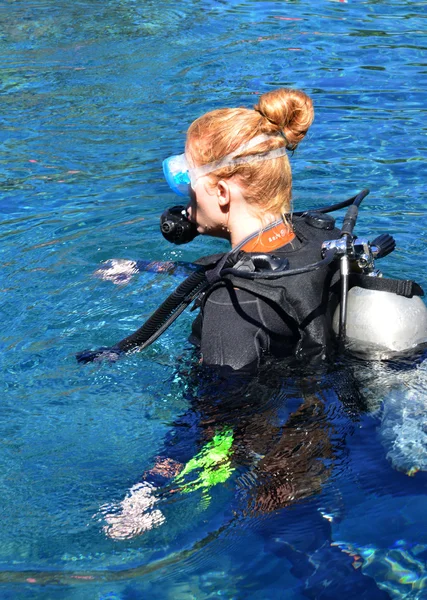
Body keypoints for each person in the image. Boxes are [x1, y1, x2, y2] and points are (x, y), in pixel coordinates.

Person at [162, 88, 341, 371]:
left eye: (189, 177)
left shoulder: (232, 307)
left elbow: (226, 413)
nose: (186, 192)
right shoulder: (322, 240)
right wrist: (151, 268)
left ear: (222, 192)